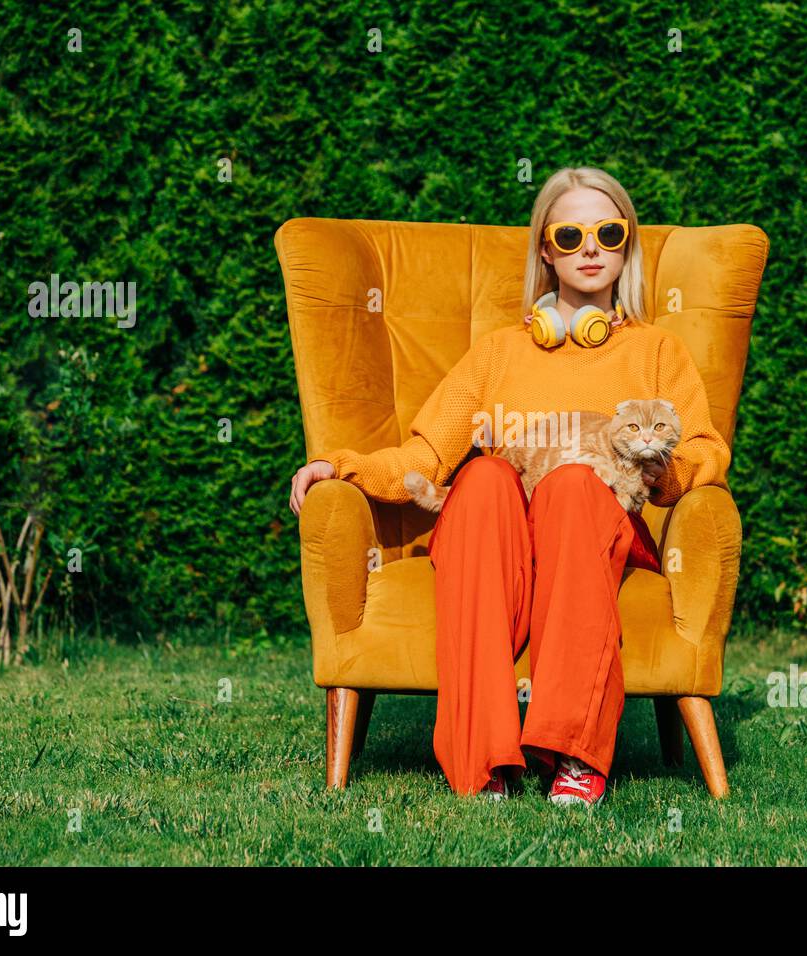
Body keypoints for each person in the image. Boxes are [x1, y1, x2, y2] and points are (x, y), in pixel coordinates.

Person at [289, 167, 730, 807]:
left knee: (575, 485)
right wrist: (342, 465)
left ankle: (574, 755)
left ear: (626, 244)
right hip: (496, 541)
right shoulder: (498, 354)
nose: (590, 248)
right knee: (486, 476)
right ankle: (482, 760)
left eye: (608, 232)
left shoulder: (657, 352)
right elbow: (428, 454)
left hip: (588, 532)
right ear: (546, 249)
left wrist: (660, 470)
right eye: (571, 233)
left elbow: (703, 448)